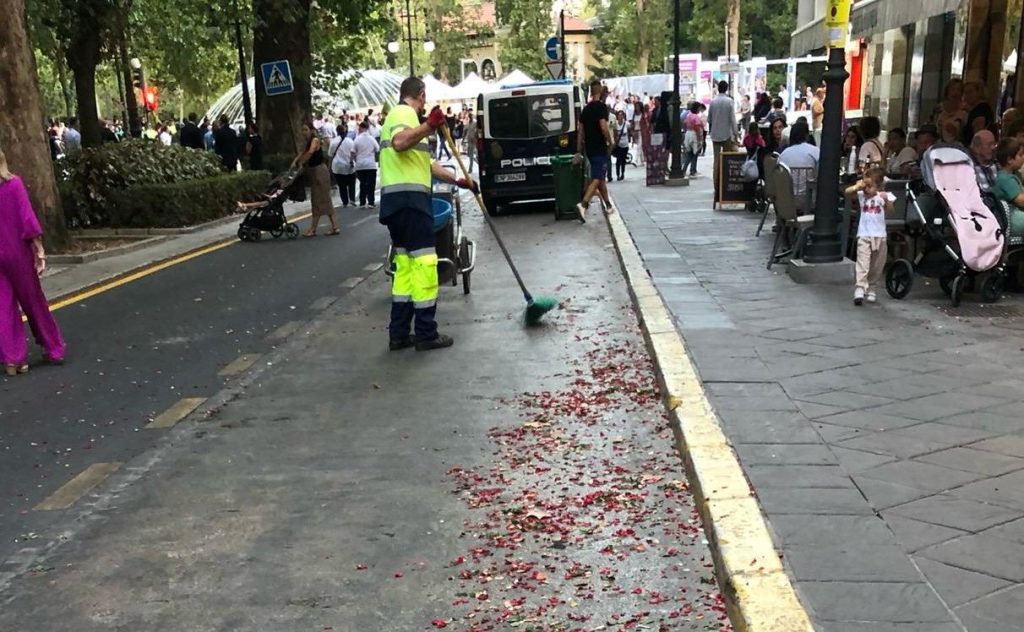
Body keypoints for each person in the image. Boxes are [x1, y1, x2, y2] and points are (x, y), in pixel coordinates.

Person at [378, 76, 477, 352]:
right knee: (424, 263)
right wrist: (429, 125)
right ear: (420, 94)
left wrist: (458, 180)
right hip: (411, 203)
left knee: (405, 269)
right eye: (425, 98)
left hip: (396, 205)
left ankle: (398, 334)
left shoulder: (399, 118)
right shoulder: (403, 113)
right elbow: (399, 142)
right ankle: (425, 333)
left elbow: (427, 164)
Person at [0, 148, 65, 375]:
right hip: (17, 250)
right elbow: (27, 219)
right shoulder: (14, 185)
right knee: (33, 301)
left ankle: (12, 359)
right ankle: (53, 347)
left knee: (3, 307)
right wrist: (39, 249)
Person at [846, 166, 894, 306]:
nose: (866, 189)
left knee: (877, 265)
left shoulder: (883, 196)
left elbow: (891, 211)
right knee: (863, 261)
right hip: (864, 234)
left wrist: (887, 201)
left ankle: (872, 287)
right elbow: (847, 193)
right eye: (865, 185)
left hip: (880, 236)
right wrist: (857, 186)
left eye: (870, 186)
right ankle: (860, 287)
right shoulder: (862, 196)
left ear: (878, 186)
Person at [575, 79, 615, 221]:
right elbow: (604, 127)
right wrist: (610, 142)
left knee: (600, 176)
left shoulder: (585, 110)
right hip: (599, 147)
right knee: (597, 177)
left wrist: (579, 150)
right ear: (600, 91)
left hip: (589, 149)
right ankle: (584, 204)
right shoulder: (601, 108)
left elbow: (580, 132)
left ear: (591, 92)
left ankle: (608, 205)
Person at [294, 119, 339, 237]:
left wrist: (301, 163)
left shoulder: (315, 140)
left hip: (320, 172)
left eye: (306, 130)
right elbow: (302, 153)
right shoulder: (308, 141)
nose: (304, 132)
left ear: (311, 130)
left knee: (322, 199)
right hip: (314, 173)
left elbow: (309, 153)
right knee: (317, 200)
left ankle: (317, 228)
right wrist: (295, 162)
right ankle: (326, 227)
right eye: (302, 130)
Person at [708, 81, 738, 199]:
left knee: (716, 161)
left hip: (715, 134)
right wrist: (736, 134)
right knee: (727, 160)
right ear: (726, 89)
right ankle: (725, 184)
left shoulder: (713, 102)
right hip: (726, 134)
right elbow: (733, 119)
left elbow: (709, 119)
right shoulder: (729, 101)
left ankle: (716, 185)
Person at [991, 137, 1024, 240]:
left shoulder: (1013, 176)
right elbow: (1021, 201)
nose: (1023, 157)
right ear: (1010, 160)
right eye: (1020, 155)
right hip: (1012, 220)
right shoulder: (1004, 178)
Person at [353, 119, 380, 209]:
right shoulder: (371, 139)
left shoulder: (357, 139)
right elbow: (377, 149)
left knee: (362, 183)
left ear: (360, 128)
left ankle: (362, 202)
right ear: (368, 128)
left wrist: (355, 160)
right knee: (371, 184)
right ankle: (371, 202)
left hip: (360, 165)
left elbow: (353, 152)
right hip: (370, 165)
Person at [329, 123, 356, 207]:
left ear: (337, 132)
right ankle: (352, 199)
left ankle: (345, 202)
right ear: (345, 131)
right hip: (349, 166)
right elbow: (354, 153)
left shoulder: (333, 142)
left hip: (338, 167)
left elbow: (330, 154)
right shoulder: (350, 141)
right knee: (351, 184)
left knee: (342, 186)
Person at [934, 78, 967, 144]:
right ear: (947, 91)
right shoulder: (938, 108)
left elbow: (966, 134)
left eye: (958, 90)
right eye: (953, 89)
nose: (955, 93)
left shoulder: (965, 110)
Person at [962, 80, 995, 146]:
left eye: (970, 92)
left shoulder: (981, 109)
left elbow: (978, 133)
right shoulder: (973, 109)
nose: (967, 95)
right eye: (965, 93)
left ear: (978, 93)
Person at [682, 102, 704, 177]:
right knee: (695, 153)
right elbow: (697, 127)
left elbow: (684, 123)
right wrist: (700, 137)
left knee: (689, 153)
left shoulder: (688, 116)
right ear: (697, 108)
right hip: (694, 135)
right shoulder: (696, 117)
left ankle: (684, 169)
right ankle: (693, 170)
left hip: (688, 134)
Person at [612, 110, 631, 181]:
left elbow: (629, 131)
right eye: (619, 115)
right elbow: (614, 133)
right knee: (618, 160)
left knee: (623, 160)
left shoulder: (626, 124)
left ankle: (622, 173)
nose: (620, 116)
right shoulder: (615, 124)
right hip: (618, 144)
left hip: (625, 144)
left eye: (622, 115)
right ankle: (617, 174)